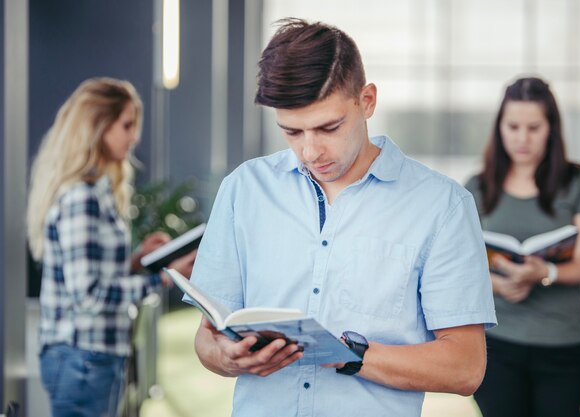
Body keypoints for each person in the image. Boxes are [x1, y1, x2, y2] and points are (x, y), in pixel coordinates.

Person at [188, 18, 496, 416]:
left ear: (366, 101)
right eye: (292, 132)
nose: (311, 151)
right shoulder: (243, 190)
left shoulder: (443, 206)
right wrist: (227, 356)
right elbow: (206, 339)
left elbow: (465, 367)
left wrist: (351, 355)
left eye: (328, 127)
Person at [26, 77, 196, 417]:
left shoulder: (96, 193)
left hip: (92, 357)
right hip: (83, 358)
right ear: (97, 127)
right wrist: (163, 278)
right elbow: (88, 297)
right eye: (127, 125)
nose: (134, 137)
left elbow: (94, 275)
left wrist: (138, 259)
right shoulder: (82, 199)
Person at [464, 76, 580, 417]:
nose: (522, 138)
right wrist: (498, 284)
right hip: (496, 347)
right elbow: (462, 266)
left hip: (562, 345)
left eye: (534, 127)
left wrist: (544, 272)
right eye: (513, 126)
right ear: (499, 127)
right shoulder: (478, 187)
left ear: (551, 129)